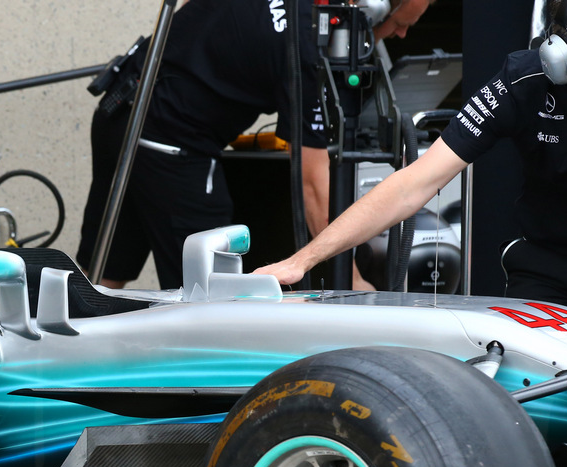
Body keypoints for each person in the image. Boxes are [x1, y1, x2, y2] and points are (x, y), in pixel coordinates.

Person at [258, 0, 567, 321]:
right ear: (564, 56)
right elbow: (412, 184)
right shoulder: (523, 81)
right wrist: (302, 261)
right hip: (547, 270)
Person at [75, 0, 433, 293]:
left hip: (120, 109)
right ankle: (208, 382)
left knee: (104, 279)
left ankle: (76, 365)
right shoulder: (309, 45)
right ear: (372, 8)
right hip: (169, 138)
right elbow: (314, 189)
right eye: (401, 24)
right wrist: (354, 282)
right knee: (213, 289)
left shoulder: (303, 21)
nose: (400, 34)